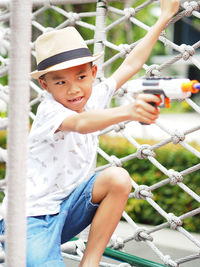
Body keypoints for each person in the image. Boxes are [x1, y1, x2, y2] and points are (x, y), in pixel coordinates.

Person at [0, 0, 180, 266]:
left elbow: (130, 65)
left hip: (68, 208)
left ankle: (90, 261)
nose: (74, 90)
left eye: (81, 77)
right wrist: (129, 111)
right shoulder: (50, 110)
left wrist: (163, 17)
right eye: (61, 82)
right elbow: (81, 124)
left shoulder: (94, 95)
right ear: (45, 85)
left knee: (118, 178)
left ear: (93, 72)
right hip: (28, 219)